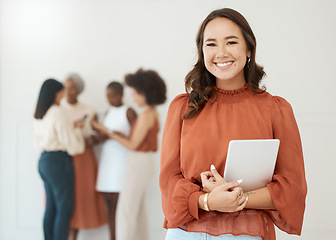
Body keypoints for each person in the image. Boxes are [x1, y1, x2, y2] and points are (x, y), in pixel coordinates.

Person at [159, 8, 307, 240]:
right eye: (211, 44)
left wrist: (236, 197)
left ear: (249, 49)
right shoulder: (182, 108)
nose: (221, 53)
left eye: (231, 42)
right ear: (201, 51)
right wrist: (207, 201)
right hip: (185, 233)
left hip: (246, 233)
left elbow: (292, 188)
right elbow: (168, 181)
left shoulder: (275, 110)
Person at [92, 68, 167, 240]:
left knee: (125, 212)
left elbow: (132, 144)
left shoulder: (146, 115)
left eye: (135, 94)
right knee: (138, 211)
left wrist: (107, 131)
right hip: (142, 163)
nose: (132, 98)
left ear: (145, 93)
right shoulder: (150, 113)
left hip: (138, 164)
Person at [33, 79, 85, 240]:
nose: (64, 95)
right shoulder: (57, 111)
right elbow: (74, 146)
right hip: (58, 161)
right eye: (62, 92)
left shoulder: (40, 112)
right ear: (55, 93)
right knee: (64, 208)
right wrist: (76, 131)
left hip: (44, 161)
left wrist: (70, 127)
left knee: (51, 207)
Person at [60, 73, 107, 240]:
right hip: (64, 157)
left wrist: (90, 140)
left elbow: (99, 134)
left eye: (72, 87)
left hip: (84, 158)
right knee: (63, 198)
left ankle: (73, 236)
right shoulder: (58, 109)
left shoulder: (89, 110)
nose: (68, 91)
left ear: (79, 90)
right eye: (65, 86)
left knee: (80, 199)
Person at [95, 81, 137, 240]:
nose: (110, 99)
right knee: (110, 209)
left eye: (112, 96)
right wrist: (97, 131)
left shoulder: (129, 111)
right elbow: (103, 136)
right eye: (107, 96)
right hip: (107, 164)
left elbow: (137, 139)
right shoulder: (108, 112)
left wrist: (112, 133)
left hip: (122, 164)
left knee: (122, 209)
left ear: (121, 95)